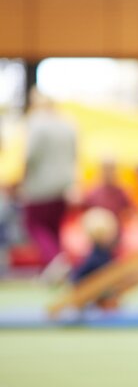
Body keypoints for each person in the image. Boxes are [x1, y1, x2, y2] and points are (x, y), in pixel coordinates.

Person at [16, 88, 77, 269]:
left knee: (34, 224)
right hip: (64, 184)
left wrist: (21, 179)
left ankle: (54, 260)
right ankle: (58, 264)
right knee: (54, 228)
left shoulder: (36, 123)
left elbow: (30, 155)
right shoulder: (68, 123)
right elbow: (74, 154)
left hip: (40, 186)